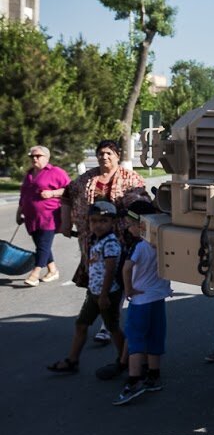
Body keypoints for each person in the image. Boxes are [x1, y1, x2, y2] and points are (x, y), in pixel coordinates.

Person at [60, 139, 147, 344]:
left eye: (109, 153)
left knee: (117, 278)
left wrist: (135, 209)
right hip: (92, 239)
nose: (104, 157)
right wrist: (65, 223)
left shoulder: (130, 177)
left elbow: (142, 201)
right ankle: (99, 317)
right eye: (101, 153)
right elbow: (67, 195)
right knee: (97, 277)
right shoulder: (87, 179)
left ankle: (108, 326)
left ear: (117, 156)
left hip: (122, 238)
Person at [47, 201, 126, 373]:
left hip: (108, 294)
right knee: (81, 324)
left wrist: (104, 295)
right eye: (94, 221)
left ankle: (124, 360)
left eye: (103, 221)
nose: (98, 225)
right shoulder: (96, 240)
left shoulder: (110, 242)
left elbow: (110, 270)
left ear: (112, 222)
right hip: (94, 293)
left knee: (113, 328)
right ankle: (72, 360)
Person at [113, 200, 171, 405]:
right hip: (159, 297)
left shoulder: (138, 247)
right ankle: (154, 377)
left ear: (142, 225)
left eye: (130, 224)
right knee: (156, 337)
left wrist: (128, 289)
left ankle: (134, 381)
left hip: (141, 300)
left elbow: (126, 269)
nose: (127, 228)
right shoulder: (162, 244)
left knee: (136, 339)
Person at [16, 145, 70, 287]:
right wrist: (19, 212)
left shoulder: (56, 172)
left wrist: (52, 193)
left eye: (38, 156)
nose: (34, 158)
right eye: (32, 156)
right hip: (31, 218)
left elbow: (70, 189)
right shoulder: (29, 174)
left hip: (49, 216)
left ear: (47, 157)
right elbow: (24, 195)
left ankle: (35, 273)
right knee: (41, 245)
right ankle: (53, 270)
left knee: (43, 245)